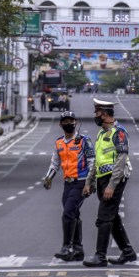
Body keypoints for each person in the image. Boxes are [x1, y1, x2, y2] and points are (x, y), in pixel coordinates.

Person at [83, 99, 137, 267]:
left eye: (97, 113)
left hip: (115, 178)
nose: (95, 116)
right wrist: (89, 182)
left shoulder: (119, 133)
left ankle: (100, 256)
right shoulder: (101, 134)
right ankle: (128, 252)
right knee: (112, 217)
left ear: (105, 114)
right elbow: (97, 161)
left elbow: (121, 160)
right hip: (102, 178)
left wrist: (112, 185)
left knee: (104, 217)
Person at [43, 111, 95, 262]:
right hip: (68, 183)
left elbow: (92, 162)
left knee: (68, 213)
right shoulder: (59, 143)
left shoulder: (84, 141)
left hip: (81, 182)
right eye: (65, 121)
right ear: (60, 125)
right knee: (74, 214)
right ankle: (78, 250)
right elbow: (55, 163)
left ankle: (66, 247)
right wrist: (48, 178)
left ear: (76, 122)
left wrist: (89, 183)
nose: (68, 123)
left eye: (71, 120)